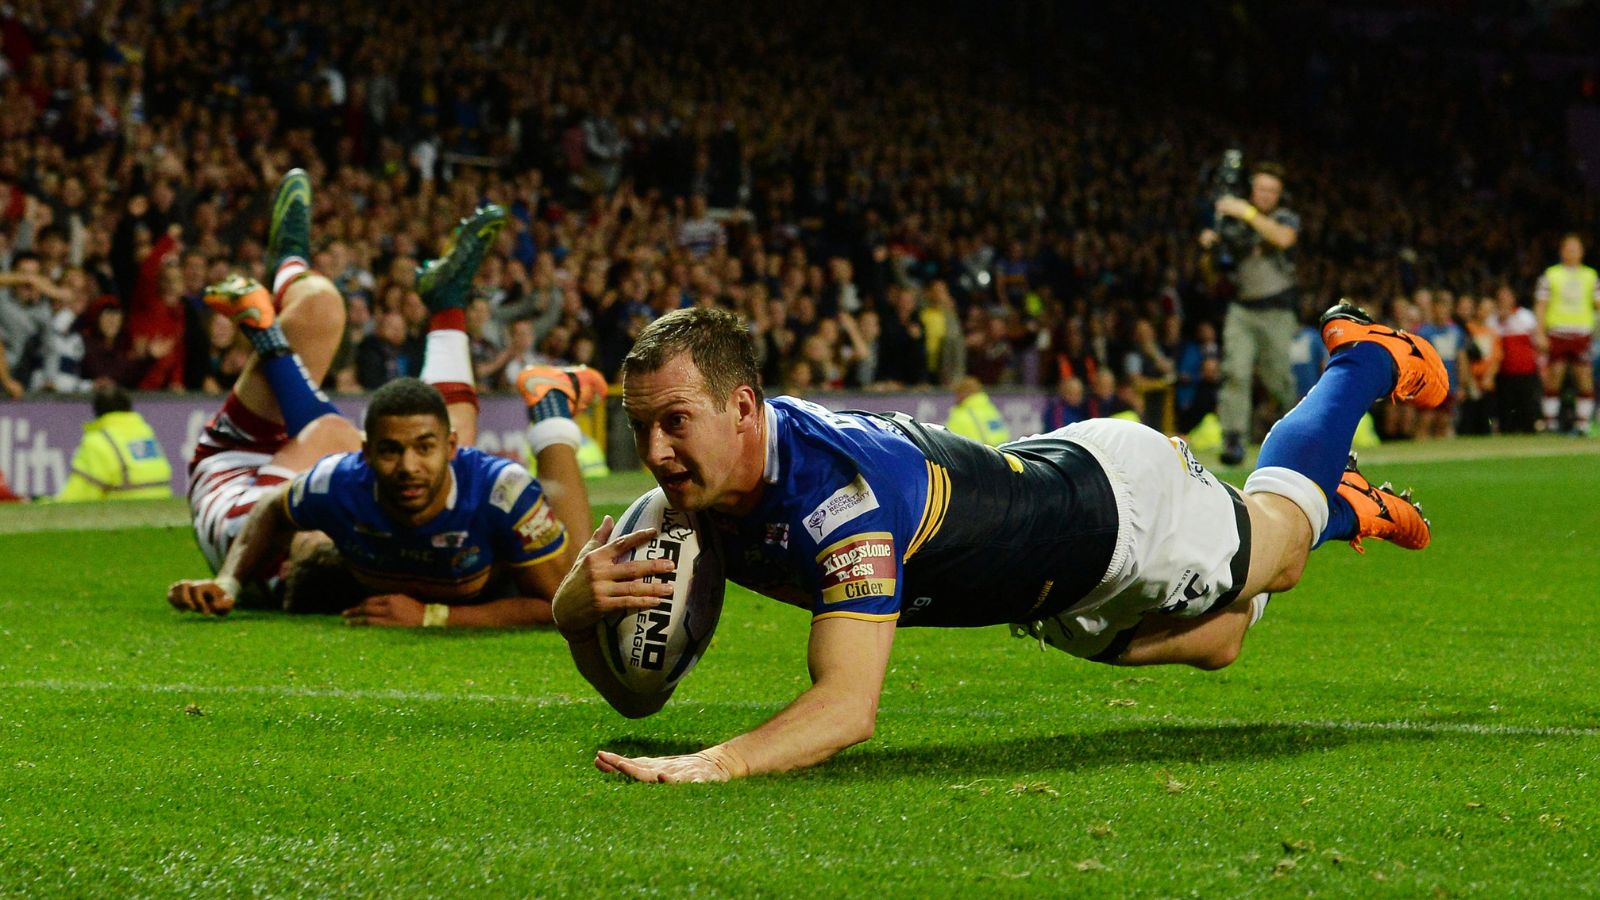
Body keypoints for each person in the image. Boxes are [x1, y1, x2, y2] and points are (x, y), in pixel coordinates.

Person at [550, 301, 1447, 783]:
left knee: (1277, 551)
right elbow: (639, 699)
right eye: (641, 428)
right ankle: (1352, 501)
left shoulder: (838, 493)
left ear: (743, 407)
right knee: (1219, 641)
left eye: (675, 422)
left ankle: (1359, 359)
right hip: (1039, 586)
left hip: (1116, 515)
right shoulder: (700, 490)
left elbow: (847, 710)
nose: (656, 452)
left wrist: (722, 762)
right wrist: (572, 612)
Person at [164, 171, 602, 627]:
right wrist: (436, 615)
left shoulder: (335, 490)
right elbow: (561, 599)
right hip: (310, 486)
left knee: (320, 306)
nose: (408, 465)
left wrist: (229, 583)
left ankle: (281, 287)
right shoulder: (462, 495)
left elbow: (274, 509)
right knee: (429, 443)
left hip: (235, 473)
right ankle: (457, 317)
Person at [1200, 162, 1301, 466]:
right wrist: (1210, 248)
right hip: (1242, 308)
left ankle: (1297, 436)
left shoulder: (1283, 218)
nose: (1266, 195)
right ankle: (1233, 439)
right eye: (1261, 189)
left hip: (1277, 311)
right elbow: (1212, 274)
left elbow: (1283, 239)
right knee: (1235, 372)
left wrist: (1245, 212)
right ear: (1251, 189)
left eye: (1272, 190)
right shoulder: (1234, 223)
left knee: (1278, 379)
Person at [54, 383, 174, 501]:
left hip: (123, 513)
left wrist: (43, 503)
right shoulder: (145, 432)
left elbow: (77, 498)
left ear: (97, 412)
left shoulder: (96, 442)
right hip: (161, 509)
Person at [1534, 234, 1596, 434]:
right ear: (1562, 251)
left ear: (1581, 252)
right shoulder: (1551, 275)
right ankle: (1550, 424)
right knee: (1554, 377)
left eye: (1575, 248)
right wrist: (1540, 332)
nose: (1571, 252)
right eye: (1568, 248)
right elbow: (1541, 305)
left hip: (1582, 332)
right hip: (1557, 332)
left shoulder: (1590, 276)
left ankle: (1582, 425)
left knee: (1584, 378)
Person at [943, 376, 1010, 446]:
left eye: (958, 393)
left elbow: (948, 441)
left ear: (964, 393)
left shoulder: (962, 413)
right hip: (999, 452)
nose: (956, 397)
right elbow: (1002, 435)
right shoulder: (989, 408)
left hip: (974, 453)